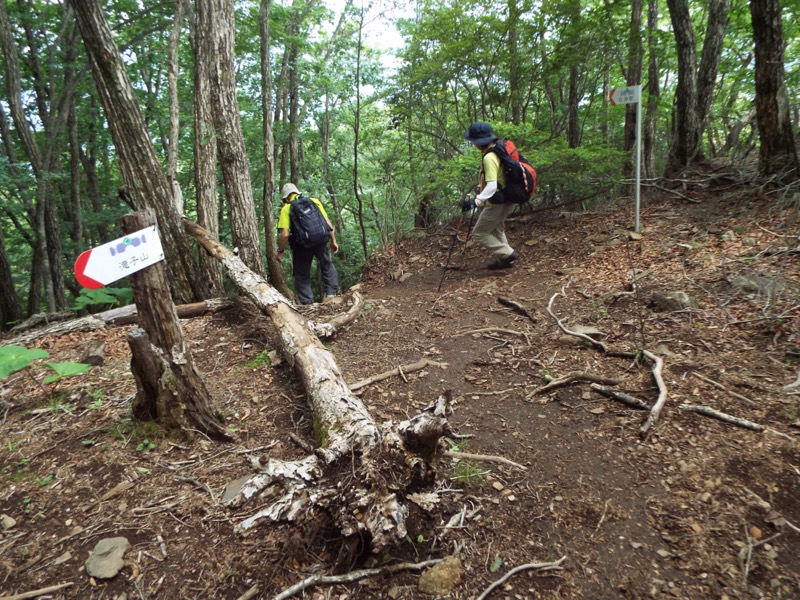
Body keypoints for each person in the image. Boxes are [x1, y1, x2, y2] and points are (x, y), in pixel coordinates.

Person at [462, 121, 519, 269]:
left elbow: (492, 185)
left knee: (479, 233)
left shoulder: (489, 157)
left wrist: (476, 201)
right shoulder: (499, 151)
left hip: (497, 202)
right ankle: (505, 260)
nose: (473, 144)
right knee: (496, 228)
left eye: (474, 141)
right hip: (507, 198)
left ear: (480, 142)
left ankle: (507, 253)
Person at [276, 183, 340, 304]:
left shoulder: (287, 208)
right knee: (326, 264)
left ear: (287, 197)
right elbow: (328, 223)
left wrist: (280, 251)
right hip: (321, 239)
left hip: (302, 246)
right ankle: (331, 294)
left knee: (301, 274)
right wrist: (333, 241)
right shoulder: (314, 201)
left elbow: (284, 234)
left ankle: (307, 303)